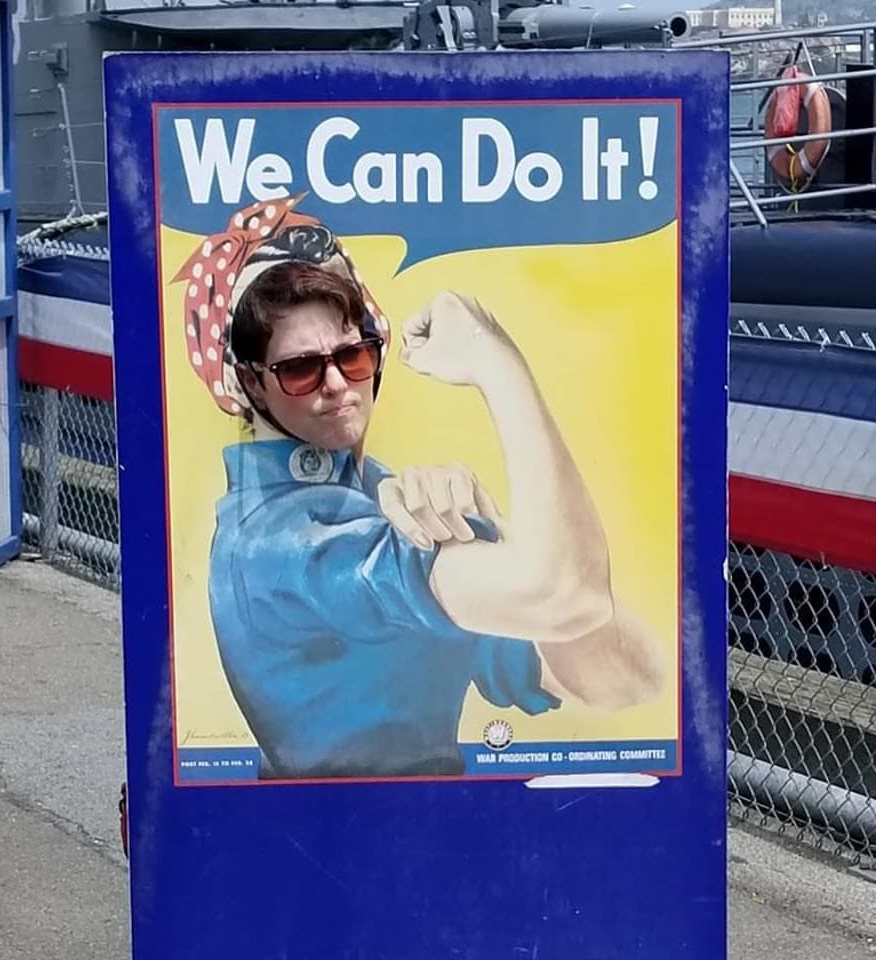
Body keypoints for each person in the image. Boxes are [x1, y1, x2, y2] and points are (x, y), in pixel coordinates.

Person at [174, 195, 665, 780]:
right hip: (338, 838)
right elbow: (566, 596)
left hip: (437, 827)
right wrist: (498, 365)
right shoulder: (278, 543)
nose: (335, 385)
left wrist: (500, 541)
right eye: (300, 368)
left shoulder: (376, 502)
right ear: (251, 385)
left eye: (352, 356)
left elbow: (625, 679)